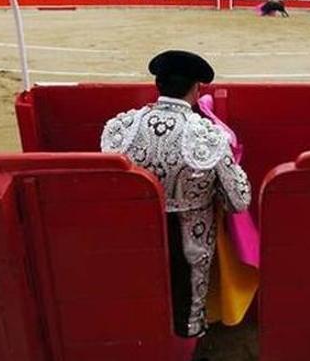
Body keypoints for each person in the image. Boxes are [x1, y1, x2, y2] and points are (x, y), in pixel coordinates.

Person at [100, 50, 251, 338]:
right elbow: (238, 201)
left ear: (158, 85)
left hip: (136, 235)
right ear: (196, 89)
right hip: (191, 239)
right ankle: (187, 338)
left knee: (140, 299)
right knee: (187, 303)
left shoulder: (122, 127)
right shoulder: (208, 135)